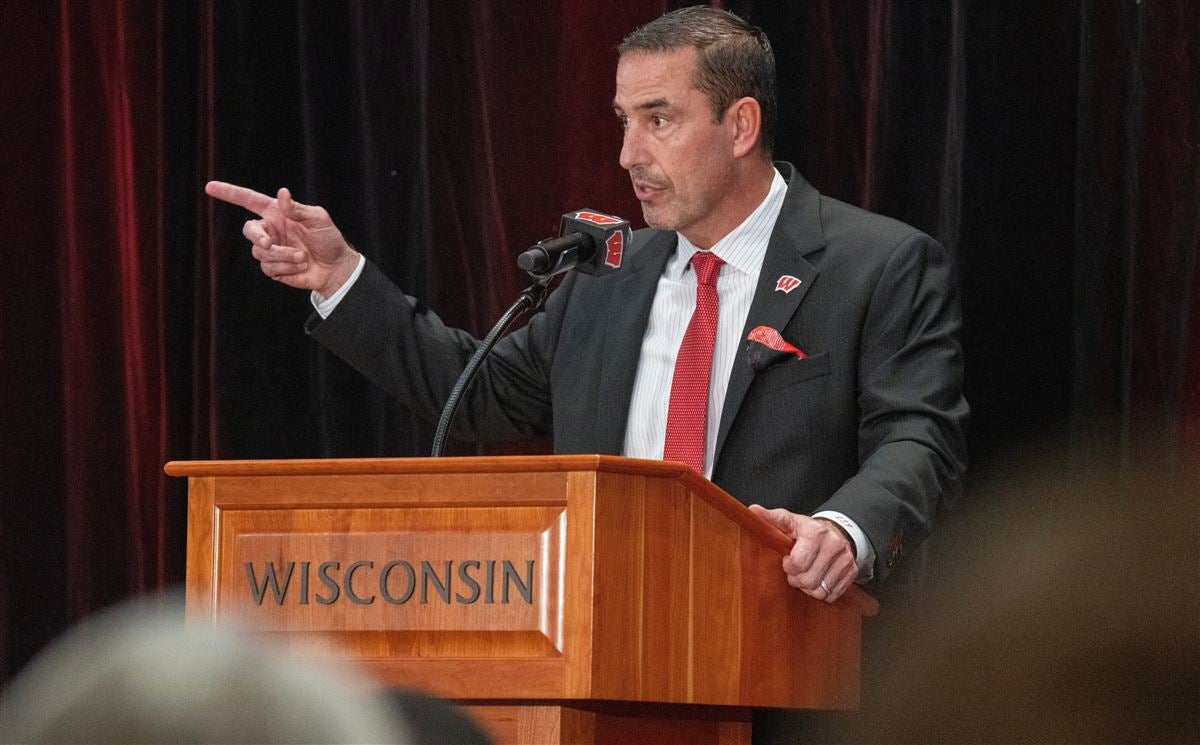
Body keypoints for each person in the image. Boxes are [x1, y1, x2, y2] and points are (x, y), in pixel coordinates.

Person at [206, 7, 967, 605]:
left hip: (788, 655)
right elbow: (474, 395)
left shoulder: (877, 265)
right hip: (607, 652)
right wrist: (339, 276)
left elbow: (919, 439)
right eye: (623, 120)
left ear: (740, 125)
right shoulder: (611, 275)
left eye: (658, 119)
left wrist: (843, 528)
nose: (628, 154)